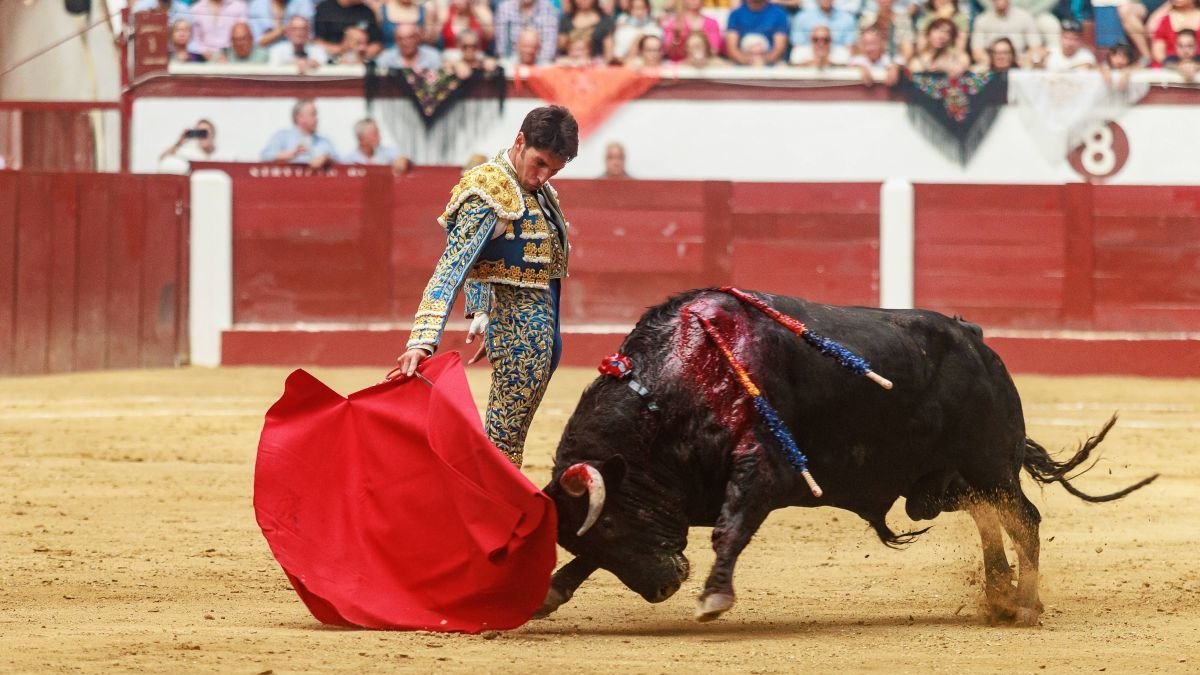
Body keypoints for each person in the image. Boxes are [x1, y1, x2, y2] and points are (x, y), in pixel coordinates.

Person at [396, 105, 579, 468]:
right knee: (501, 450)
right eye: (539, 163)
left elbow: (492, 259)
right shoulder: (488, 192)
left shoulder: (535, 191)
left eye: (554, 170)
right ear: (519, 141)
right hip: (521, 334)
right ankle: (479, 519)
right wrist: (422, 339)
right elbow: (452, 268)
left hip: (538, 332)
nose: (542, 177)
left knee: (505, 444)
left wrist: (482, 311)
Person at [259, 98, 338, 166]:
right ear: (299, 117)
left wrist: (326, 158)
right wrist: (290, 154)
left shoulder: (323, 141)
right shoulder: (282, 136)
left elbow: (340, 161)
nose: (316, 119)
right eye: (313, 114)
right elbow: (265, 156)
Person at [971, 0, 1046, 67]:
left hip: (1019, 64)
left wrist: (1026, 59)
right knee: (976, 74)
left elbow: (1036, 46)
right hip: (991, 65)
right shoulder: (981, 20)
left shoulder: (1024, 16)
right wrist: (988, 61)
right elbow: (977, 50)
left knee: (1038, 58)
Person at [789, 0, 857, 65]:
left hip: (837, 58)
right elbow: (797, 50)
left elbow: (850, 51)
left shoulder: (847, 19)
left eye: (826, 40)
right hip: (807, 58)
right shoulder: (802, 18)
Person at [724, 0, 791, 66]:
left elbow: (779, 48)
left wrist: (763, 61)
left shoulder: (779, 14)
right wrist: (746, 60)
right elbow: (731, 48)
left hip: (771, 65)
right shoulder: (735, 14)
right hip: (740, 64)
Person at [494, 0, 561, 64]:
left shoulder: (549, 9)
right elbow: (502, 50)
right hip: (511, 66)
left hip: (540, 67)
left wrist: (531, 70)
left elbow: (548, 53)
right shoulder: (504, 9)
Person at [313, 0, 384, 59]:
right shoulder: (324, 9)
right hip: (330, 58)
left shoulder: (367, 12)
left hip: (363, 60)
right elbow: (317, 42)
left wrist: (360, 52)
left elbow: (377, 44)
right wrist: (342, 49)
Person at [341, 118, 412, 173]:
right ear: (361, 138)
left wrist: (404, 159)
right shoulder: (348, 160)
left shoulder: (386, 152)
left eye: (378, 133)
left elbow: (403, 158)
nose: (379, 137)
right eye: (374, 134)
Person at [377, 22, 444, 72]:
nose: (405, 43)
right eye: (400, 39)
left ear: (418, 38)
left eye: (410, 38)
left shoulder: (432, 56)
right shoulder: (385, 58)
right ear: (395, 41)